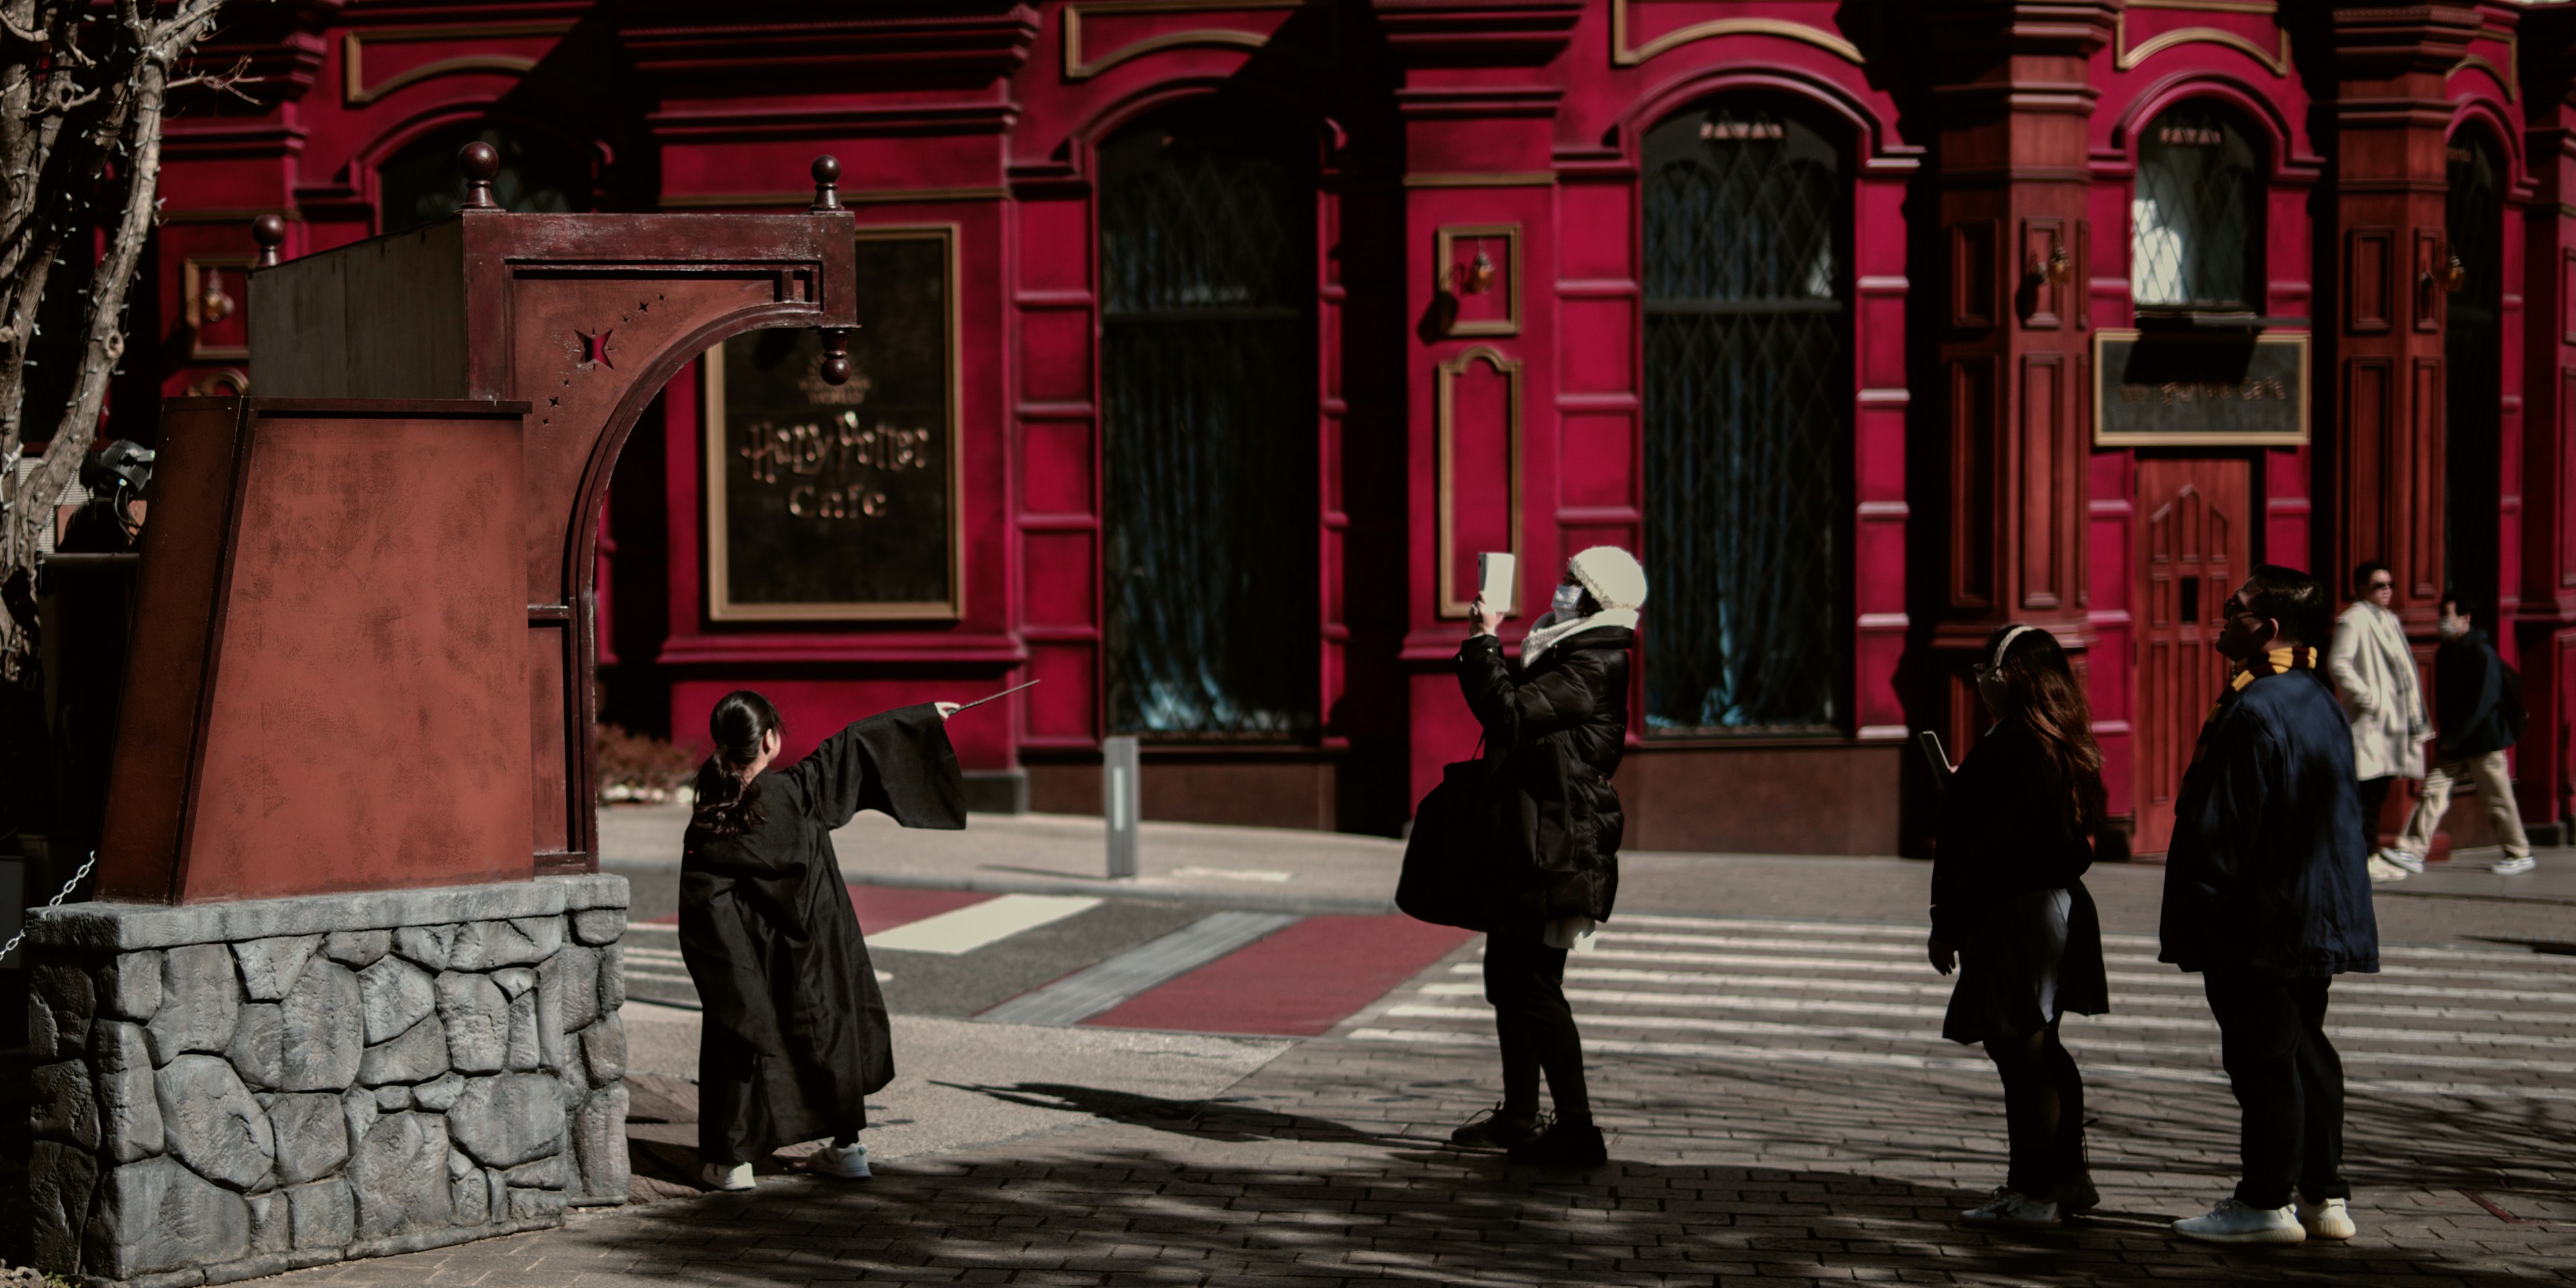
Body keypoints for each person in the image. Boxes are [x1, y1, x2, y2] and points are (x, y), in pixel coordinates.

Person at [2163, 566, 2378, 1245]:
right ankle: (2323, 1195)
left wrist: (2202, 912)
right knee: (2305, 1050)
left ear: (2271, 627)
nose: (2223, 619)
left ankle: (2264, 1202)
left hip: (2261, 918)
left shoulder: (2257, 705)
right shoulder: (2316, 697)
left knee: (2263, 1061)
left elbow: (2225, 828)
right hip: (2315, 911)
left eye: (2237, 608)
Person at [680, 690, 965, 1191]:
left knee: (744, 1035)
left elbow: (707, 910)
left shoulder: (712, 821)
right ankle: (847, 1148)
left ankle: (732, 1163)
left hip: (753, 958)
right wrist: (924, 718)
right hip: (818, 950)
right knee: (828, 1032)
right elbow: (852, 746)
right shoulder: (800, 793)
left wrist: (735, 976)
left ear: (723, 745)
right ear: (769, 740)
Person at [1447, 545, 1645, 1167]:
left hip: (1559, 844)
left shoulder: (1593, 662)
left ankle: (1578, 1131)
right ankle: (1519, 1115)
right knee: (1508, 980)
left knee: (1532, 984)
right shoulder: (1565, 650)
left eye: (1569, 581)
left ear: (1591, 598)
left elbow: (1506, 712)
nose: (1558, 588)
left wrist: (1484, 642)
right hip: (1535, 836)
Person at [1927, 625, 2109, 1229]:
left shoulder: (2015, 746)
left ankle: (2034, 1189)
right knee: (2044, 1047)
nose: (1981, 679)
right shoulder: (2056, 738)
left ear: (2015, 677)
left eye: (1989, 668)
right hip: (2054, 904)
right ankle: (2068, 1176)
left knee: (2021, 1055)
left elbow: (1983, 846)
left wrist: (1947, 922)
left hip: (2018, 914)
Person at [2391, 594, 2536, 876]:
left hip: (2483, 741)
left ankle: (2519, 852)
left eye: (2448, 615)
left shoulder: (2481, 653)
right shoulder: (2447, 651)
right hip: (2454, 741)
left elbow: (2485, 702)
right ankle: (2411, 850)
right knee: (2433, 793)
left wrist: (2454, 738)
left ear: (2465, 619)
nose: (2443, 621)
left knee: (2498, 798)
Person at [2325, 561, 2428, 881]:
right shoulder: (2353, 620)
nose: (2386, 591)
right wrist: (2369, 697)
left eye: (2390, 584)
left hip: (2390, 725)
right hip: (2370, 725)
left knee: (2378, 792)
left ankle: (2369, 853)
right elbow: (2338, 663)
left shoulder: (2387, 619)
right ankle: (2362, 857)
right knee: (2364, 794)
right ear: (2361, 589)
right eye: (2378, 585)